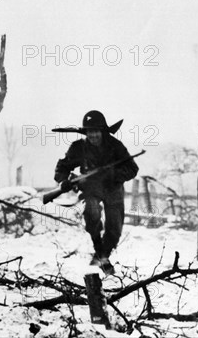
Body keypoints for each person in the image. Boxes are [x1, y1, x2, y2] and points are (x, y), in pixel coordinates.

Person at [54, 110, 139, 274]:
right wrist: (65, 181)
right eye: (89, 132)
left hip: (113, 188)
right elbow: (61, 169)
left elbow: (132, 169)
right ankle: (100, 252)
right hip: (90, 188)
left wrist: (114, 174)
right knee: (92, 214)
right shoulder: (78, 148)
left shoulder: (116, 146)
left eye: (96, 131)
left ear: (102, 131)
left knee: (114, 227)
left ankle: (103, 255)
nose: (92, 135)